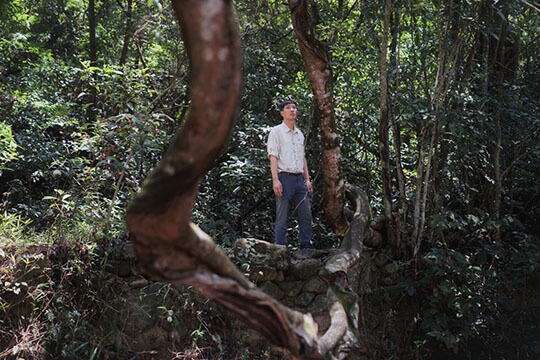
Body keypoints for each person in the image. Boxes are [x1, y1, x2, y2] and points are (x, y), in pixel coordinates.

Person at [267, 99, 313, 249]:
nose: (292, 110)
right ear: (282, 113)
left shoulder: (299, 134)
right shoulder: (276, 132)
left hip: (299, 179)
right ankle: (281, 250)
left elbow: (302, 158)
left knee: (305, 215)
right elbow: (273, 156)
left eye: (294, 107)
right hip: (284, 178)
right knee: (282, 216)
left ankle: (306, 248)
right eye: (288, 108)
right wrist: (275, 180)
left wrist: (307, 179)